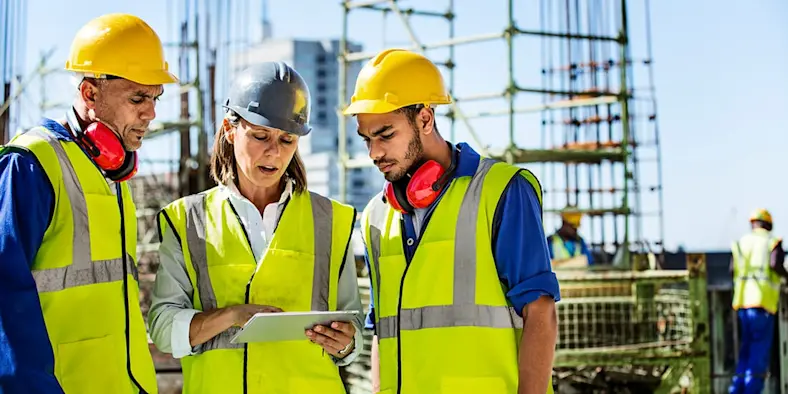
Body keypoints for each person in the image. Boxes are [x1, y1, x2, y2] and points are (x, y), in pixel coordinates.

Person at [344, 48, 560, 394]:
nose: (375, 153)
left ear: (425, 119)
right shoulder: (376, 216)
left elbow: (541, 313)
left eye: (385, 135)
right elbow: (384, 331)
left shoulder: (502, 191)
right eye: (367, 139)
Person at [147, 62, 365, 394]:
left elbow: (354, 329)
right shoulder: (186, 221)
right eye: (260, 136)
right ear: (230, 129)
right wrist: (232, 316)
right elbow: (163, 330)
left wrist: (346, 342)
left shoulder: (332, 221)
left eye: (287, 140)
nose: (274, 152)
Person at [0, 13, 178, 394]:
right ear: (89, 94)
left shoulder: (112, 174)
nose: (151, 113)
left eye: (155, 98)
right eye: (138, 97)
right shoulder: (32, 165)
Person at [728, 209, 788, 394]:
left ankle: (736, 390)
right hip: (762, 304)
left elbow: (732, 270)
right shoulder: (771, 242)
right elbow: (775, 265)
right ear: (768, 224)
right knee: (758, 355)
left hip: (742, 305)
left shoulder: (741, 243)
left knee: (745, 353)